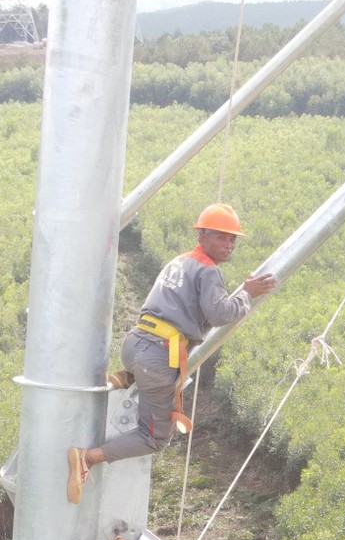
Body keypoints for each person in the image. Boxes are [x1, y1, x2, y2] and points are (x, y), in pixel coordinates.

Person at [67, 203, 277, 503]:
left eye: (232, 239)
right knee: (154, 438)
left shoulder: (181, 261)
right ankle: (87, 458)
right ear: (202, 236)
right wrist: (247, 294)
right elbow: (220, 314)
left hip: (136, 343)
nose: (229, 245)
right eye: (222, 237)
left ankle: (124, 377)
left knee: (148, 378)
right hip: (157, 357)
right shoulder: (209, 271)